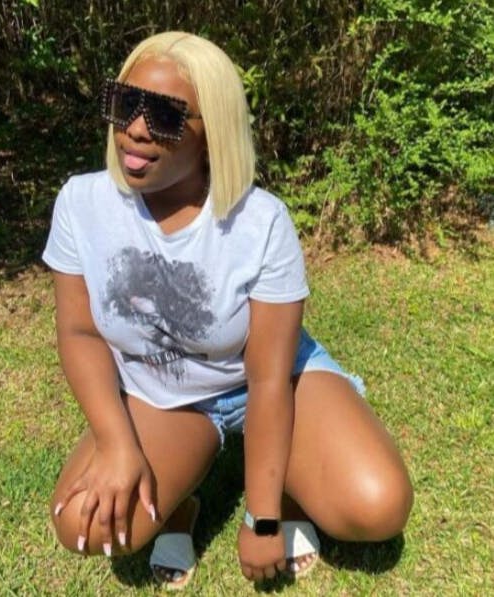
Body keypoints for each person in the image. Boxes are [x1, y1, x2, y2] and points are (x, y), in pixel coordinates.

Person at [42, 31, 413, 590]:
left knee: (377, 505)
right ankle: (181, 502)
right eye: (125, 103)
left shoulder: (260, 222)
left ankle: (290, 492)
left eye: (166, 116)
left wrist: (262, 516)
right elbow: (79, 332)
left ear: (212, 132)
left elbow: (267, 378)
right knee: (83, 525)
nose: (136, 128)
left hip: (267, 379)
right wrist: (117, 444)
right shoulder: (81, 203)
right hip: (165, 396)